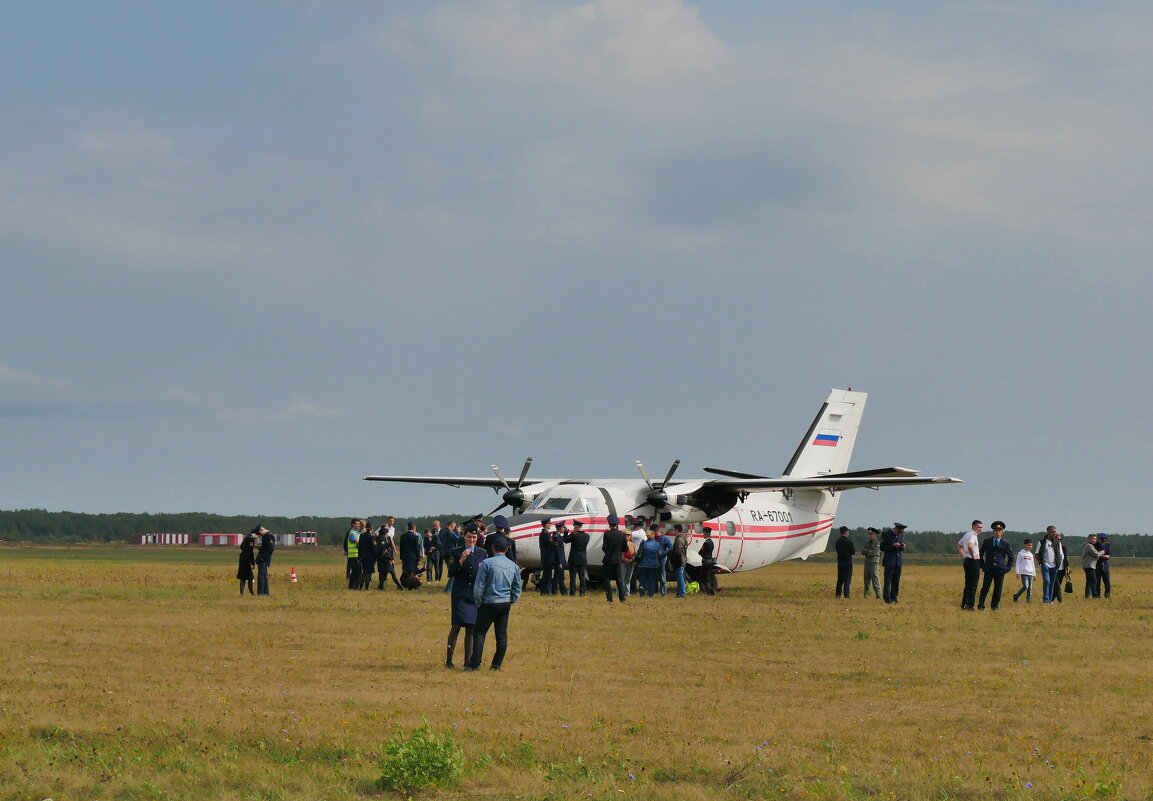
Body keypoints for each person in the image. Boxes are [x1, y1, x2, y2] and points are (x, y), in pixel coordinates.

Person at [464, 535, 522, 671]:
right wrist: (510, 599)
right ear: (507, 549)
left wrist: (478, 602)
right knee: (501, 635)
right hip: (504, 603)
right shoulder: (513, 566)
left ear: (493, 548)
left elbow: (479, 586)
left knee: (479, 633)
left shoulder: (487, 563)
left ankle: (475, 664)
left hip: (488, 602)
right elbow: (517, 588)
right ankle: (496, 665)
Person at [446, 528, 486, 669]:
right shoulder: (455, 552)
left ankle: (468, 663)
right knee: (456, 627)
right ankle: (449, 661)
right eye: (469, 537)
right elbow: (451, 573)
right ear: (464, 537)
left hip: (474, 595)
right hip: (460, 594)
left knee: (471, 628)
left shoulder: (482, 553)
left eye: (474, 537)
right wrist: (461, 560)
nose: (472, 540)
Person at [977, 520, 1013, 610]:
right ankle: (981, 606)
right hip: (989, 568)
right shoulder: (987, 541)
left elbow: (1011, 557)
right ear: (993, 531)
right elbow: (980, 555)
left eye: (999, 530)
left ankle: (994, 606)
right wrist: (983, 566)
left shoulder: (1005, 543)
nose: (998, 532)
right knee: (985, 588)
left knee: (998, 589)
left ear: (1002, 532)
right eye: (996, 530)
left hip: (1000, 569)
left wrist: (1007, 568)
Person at [601, 514, 628, 603]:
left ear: (609, 524)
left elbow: (604, 548)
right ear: (617, 525)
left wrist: (609, 552)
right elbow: (625, 548)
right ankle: (622, 598)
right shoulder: (622, 535)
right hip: (618, 560)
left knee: (606, 579)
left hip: (608, 560)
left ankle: (609, 598)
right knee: (620, 580)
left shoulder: (607, 534)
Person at [957, 520, 982, 610]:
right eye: (979, 527)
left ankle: (964, 605)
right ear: (973, 527)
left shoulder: (967, 534)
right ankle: (971, 606)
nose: (980, 529)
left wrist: (964, 555)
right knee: (973, 585)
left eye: (981, 527)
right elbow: (970, 545)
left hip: (967, 560)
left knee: (968, 584)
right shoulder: (973, 535)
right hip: (972, 561)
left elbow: (959, 545)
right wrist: (972, 555)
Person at [880, 522, 906, 604]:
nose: (899, 533)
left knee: (896, 581)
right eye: (898, 531)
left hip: (898, 562)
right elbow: (882, 547)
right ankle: (887, 598)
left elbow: (900, 549)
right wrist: (892, 545)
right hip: (889, 561)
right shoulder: (886, 534)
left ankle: (894, 597)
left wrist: (902, 547)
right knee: (888, 581)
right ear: (895, 529)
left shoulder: (901, 535)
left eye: (900, 532)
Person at [1035, 526, 1062, 603]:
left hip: (1054, 566)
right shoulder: (1041, 542)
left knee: (1052, 584)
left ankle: (1050, 600)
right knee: (1047, 581)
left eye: (1055, 531)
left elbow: (1060, 554)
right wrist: (1042, 563)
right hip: (1045, 565)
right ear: (1048, 532)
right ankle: (1045, 599)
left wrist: (1058, 564)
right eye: (1053, 531)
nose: (1054, 533)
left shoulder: (1057, 542)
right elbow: (1036, 554)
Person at [636, 525, 663, 598]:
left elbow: (638, 554)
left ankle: (642, 594)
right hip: (653, 565)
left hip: (643, 564)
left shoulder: (643, 543)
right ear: (653, 536)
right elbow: (659, 554)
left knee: (642, 580)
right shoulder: (657, 544)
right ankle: (651, 594)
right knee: (652, 580)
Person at [564, 520, 590, 596]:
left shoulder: (574, 535)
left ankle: (572, 592)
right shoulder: (586, 536)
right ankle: (582, 592)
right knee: (582, 577)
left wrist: (566, 532)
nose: (574, 528)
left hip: (574, 559)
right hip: (582, 559)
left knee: (573, 577)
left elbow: (565, 540)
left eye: (574, 526)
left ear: (577, 526)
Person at [376, 524, 401, 590]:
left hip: (388, 558)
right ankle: (381, 586)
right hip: (382, 558)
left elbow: (390, 549)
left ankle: (399, 586)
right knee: (382, 573)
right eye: (386, 533)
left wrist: (392, 558)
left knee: (392, 572)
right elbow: (382, 549)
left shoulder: (388, 538)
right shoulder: (378, 539)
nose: (387, 534)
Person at [399, 521, 422, 590]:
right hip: (413, 557)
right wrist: (418, 558)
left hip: (405, 557)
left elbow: (401, 548)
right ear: (414, 528)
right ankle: (413, 587)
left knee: (409, 572)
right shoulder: (416, 537)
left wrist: (401, 558)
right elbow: (417, 549)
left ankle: (411, 588)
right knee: (411, 572)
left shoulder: (403, 536)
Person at [834, 526, 855, 598]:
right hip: (847, 562)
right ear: (846, 532)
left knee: (840, 579)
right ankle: (846, 594)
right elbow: (853, 551)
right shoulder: (848, 542)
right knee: (847, 579)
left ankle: (838, 594)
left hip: (840, 562)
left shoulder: (838, 542)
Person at [861, 527, 882, 599]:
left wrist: (868, 551)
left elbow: (873, 553)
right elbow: (862, 551)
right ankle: (866, 596)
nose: (869, 536)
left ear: (875, 534)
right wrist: (868, 551)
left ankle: (879, 596)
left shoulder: (878, 544)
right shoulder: (867, 543)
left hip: (874, 565)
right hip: (867, 564)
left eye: (871, 534)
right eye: (869, 534)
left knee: (875, 581)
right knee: (866, 582)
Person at [537, 520, 557, 595]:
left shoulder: (542, 533)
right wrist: (555, 540)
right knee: (547, 576)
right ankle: (546, 591)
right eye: (549, 523)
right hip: (548, 557)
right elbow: (552, 545)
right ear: (546, 525)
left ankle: (544, 590)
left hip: (545, 557)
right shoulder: (546, 534)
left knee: (546, 574)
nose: (550, 525)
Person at [1012, 538, 1036, 602]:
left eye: (1031, 545)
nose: (1030, 547)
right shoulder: (1021, 553)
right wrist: (1017, 573)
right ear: (1025, 545)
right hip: (1024, 573)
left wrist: (1034, 575)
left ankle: (1028, 601)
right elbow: (1017, 563)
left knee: (1030, 588)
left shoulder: (1031, 554)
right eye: (1029, 545)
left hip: (1030, 573)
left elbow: (1032, 565)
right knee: (1026, 586)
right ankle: (1016, 596)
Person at [254, 524, 275, 596]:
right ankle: (266, 592)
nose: (260, 535)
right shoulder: (266, 536)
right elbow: (266, 547)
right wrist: (260, 547)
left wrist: (264, 558)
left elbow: (270, 549)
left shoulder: (268, 536)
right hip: (263, 558)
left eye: (259, 533)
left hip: (263, 559)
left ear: (261, 530)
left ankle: (261, 592)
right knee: (264, 576)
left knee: (261, 576)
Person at [1082, 533, 1104, 599]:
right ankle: (1095, 595)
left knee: (1089, 581)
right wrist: (1102, 552)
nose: (1094, 540)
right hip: (1089, 566)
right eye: (1093, 539)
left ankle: (1087, 596)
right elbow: (1096, 554)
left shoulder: (1090, 546)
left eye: (1095, 539)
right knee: (1094, 581)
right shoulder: (1089, 546)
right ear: (1089, 539)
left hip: (1089, 566)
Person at [549, 521, 568, 595]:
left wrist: (566, 532)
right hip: (558, 560)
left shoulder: (558, 536)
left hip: (560, 559)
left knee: (559, 576)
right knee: (558, 577)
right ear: (560, 528)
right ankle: (561, 592)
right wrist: (559, 562)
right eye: (564, 527)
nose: (565, 529)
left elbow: (565, 539)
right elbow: (557, 550)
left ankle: (557, 592)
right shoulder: (556, 537)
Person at [670, 525, 690, 598]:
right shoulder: (682, 538)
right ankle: (679, 593)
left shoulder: (679, 540)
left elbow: (678, 551)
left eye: (674, 530)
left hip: (679, 560)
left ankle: (682, 593)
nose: (673, 532)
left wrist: (675, 560)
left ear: (677, 530)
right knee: (680, 577)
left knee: (680, 577)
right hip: (682, 560)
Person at [698, 526, 718, 595]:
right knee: (707, 578)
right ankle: (711, 591)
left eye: (703, 533)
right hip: (710, 561)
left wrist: (700, 552)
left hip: (706, 561)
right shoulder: (711, 542)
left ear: (706, 533)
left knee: (705, 579)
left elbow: (701, 551)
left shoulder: (706, 542)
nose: (703, 534)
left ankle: (709, 592)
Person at [358, 522, 377, 590]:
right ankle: (366, 588)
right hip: (370, 558)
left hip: (363, 557)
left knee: (364, 573)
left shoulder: (361, 536)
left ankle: (360, 587)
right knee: (368, 573)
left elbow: (359, 547)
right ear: (371, 528)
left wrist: (359, 557)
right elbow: (374, 548)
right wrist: (376, 558)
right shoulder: (372, 537)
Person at [237, 530, 256, 595]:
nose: (257, 538)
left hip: (242, 558)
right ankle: (252, 593)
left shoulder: (246, 537)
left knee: (242, 577)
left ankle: (241, 593)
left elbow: (241, 546)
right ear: (256, 534)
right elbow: (251, 552)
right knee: (250, 577)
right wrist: (253, 563)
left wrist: (244, 552)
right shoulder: (251, 539)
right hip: (247, 561)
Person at [345, 519, 363, 590]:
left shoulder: (357, 533)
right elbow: (357, 543)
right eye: (357, 524)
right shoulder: (352, 533)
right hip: (354, 556)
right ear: (353, 524)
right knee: (358, 572)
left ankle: (351, 587)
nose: (359, 525)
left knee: (355, 572)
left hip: (356, 555)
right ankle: (355, 587)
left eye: (359, 524)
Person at [1095, 533, 1112, 599]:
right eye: (1101, 540)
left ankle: (1107, 595)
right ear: (1098, 539)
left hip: (1105, 566)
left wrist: (1108, 556)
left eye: (1104, 541)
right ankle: (1097, 596)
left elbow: (1110, 553)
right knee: (1097, 582)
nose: (1102, 542)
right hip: (1097, 566)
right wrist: (1102, 556)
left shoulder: (1108, 545)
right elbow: (1095, 554)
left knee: (1107, 582)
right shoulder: (1095, 545)